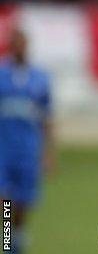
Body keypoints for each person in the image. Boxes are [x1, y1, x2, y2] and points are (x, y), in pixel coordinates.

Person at [0, 29, 55, 254]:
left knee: (22, 202)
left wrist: (49, 153)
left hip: (28, 148)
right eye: (16, 43)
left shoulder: (40, 78)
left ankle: (16, 240)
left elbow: (47, 117)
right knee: (4, 199)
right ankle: (6, 240)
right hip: (4, 148)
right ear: (11, 46)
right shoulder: (2, 74)